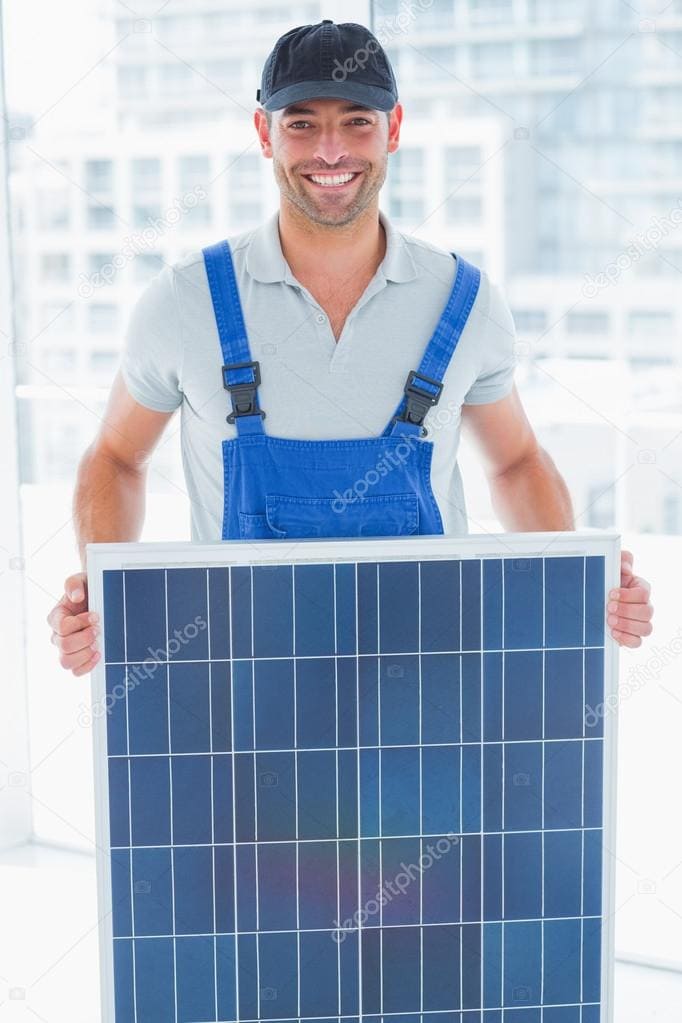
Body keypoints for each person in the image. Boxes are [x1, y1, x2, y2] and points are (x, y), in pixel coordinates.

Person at [47, 19, 653, 674]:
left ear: (394, 129)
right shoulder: (184, 300)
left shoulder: (467, 302)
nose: (331, 151)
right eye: (302, 123)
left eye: (357, 122)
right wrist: (100, 597)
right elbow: (116, 457)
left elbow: (515, 462)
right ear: (264, 134)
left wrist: (578, 581)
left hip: (427, 683)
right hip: (245, 686)